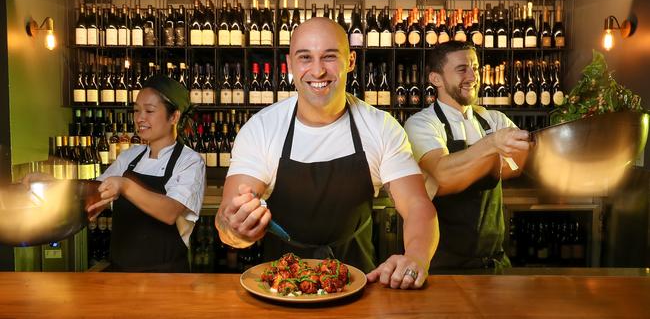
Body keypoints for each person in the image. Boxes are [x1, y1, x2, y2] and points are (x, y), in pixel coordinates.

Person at [215, 17, 438, 289]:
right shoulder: (261, 129)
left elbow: (417, 206)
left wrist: (415, 257)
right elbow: (227, 220)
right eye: (305, 57)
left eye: (329, 57)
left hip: (360, 286)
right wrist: (235, 230)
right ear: (292, 63)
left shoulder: (380, 127)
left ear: (351, 61)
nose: (317, 71)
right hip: (281, 289)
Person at [404, 41, 529, 270]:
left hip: (494, 262)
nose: (473, 76)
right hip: (443, 265)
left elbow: (516, 168)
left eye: (476, 68)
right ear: (436, 79)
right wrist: (492, 146)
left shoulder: (494, 120)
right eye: (462, 69)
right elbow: (441, 175)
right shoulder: (422, 124)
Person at [86, 75, 206, 272]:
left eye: (149, 111)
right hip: (121, 275)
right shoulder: (129, 157)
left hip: (166, 279)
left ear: (174, 117)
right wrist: (54, 184)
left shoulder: (190, 161)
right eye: (136, 111)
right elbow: (94, 192)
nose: (140, 118)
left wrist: (124, 185)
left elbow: (169, 212)